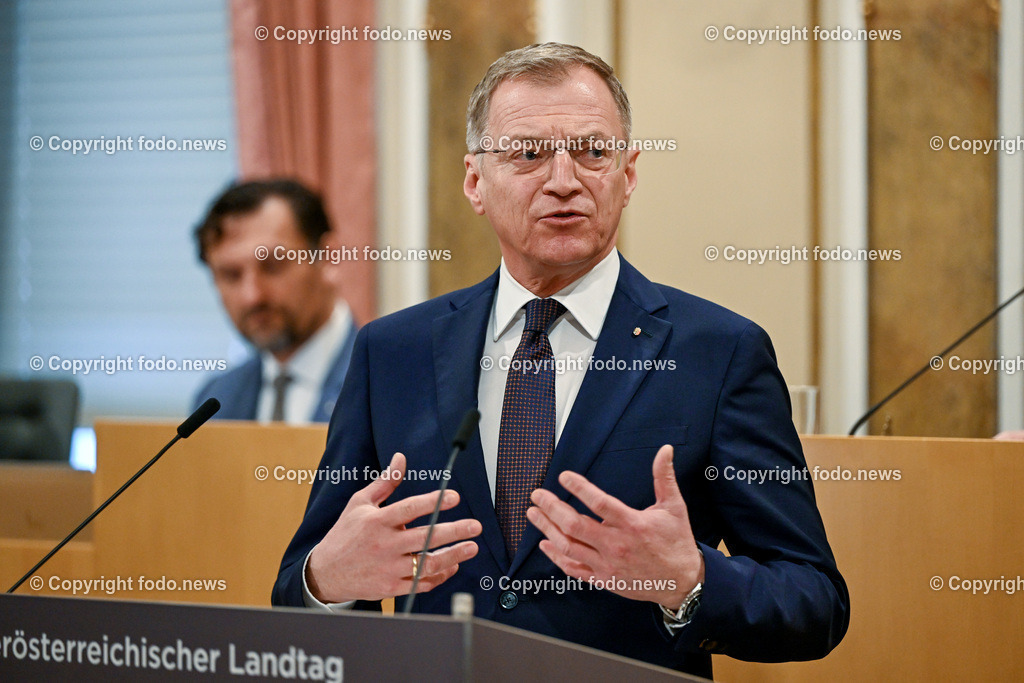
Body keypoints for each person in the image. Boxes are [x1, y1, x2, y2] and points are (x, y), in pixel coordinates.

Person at [272, 44, 848, 676]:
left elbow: (813, 602)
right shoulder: (394, 352)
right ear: (474, 182)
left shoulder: (718, 352)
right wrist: (326, 582)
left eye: (593, 151)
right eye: (528, 154)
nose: (565, 180)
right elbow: (302, 587)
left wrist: (689, 581)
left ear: (627, 177)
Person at [193, 179, 357, 423]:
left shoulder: (390, 385)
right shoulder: (216, 400)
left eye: (273, 266)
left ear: (329, 258)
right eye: (230, 274)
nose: (252, 296)